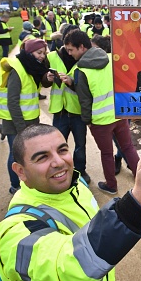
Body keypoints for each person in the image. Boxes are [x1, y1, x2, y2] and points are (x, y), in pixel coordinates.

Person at [0, 124, 141, 281]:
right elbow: (67, 269)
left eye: (62, 150)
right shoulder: (14, 231)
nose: (59, 162)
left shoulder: (75, 183)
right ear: (20, 171)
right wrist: (138, 202)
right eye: (42, 157)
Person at [66, 31, 141, 194]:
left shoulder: (81, 70)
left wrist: (87, 121)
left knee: (107, 154)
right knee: (128, 147)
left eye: (71, 50)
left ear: (81, 47)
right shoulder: (109, 58)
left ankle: (111, 186)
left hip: (100, 121)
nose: (69, 54)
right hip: (119, 113)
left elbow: (84, 100)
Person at [0, 38, 50, 195]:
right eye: (39, 53)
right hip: (16, 123)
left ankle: (27, 183)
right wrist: (21, 128)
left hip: (29, 120)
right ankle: (15, 186)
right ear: (29, 52)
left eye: (44, 53)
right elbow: (13, 102)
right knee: (16, 155)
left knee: (27, 154)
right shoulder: (17, 70)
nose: (42, 56)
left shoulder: (30, 68)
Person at [44, 26, 90, 184]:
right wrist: (47, 78)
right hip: (60, 112)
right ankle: (58, 171)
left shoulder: (84, 61)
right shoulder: (51, 57)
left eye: (72, 49)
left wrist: (71, 83)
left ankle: (80, 171)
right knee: (56, 147)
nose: (70, 52)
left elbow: (87, 89)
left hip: (77, 112)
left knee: (80, 145)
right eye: (68, 48)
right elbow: (42, 81)